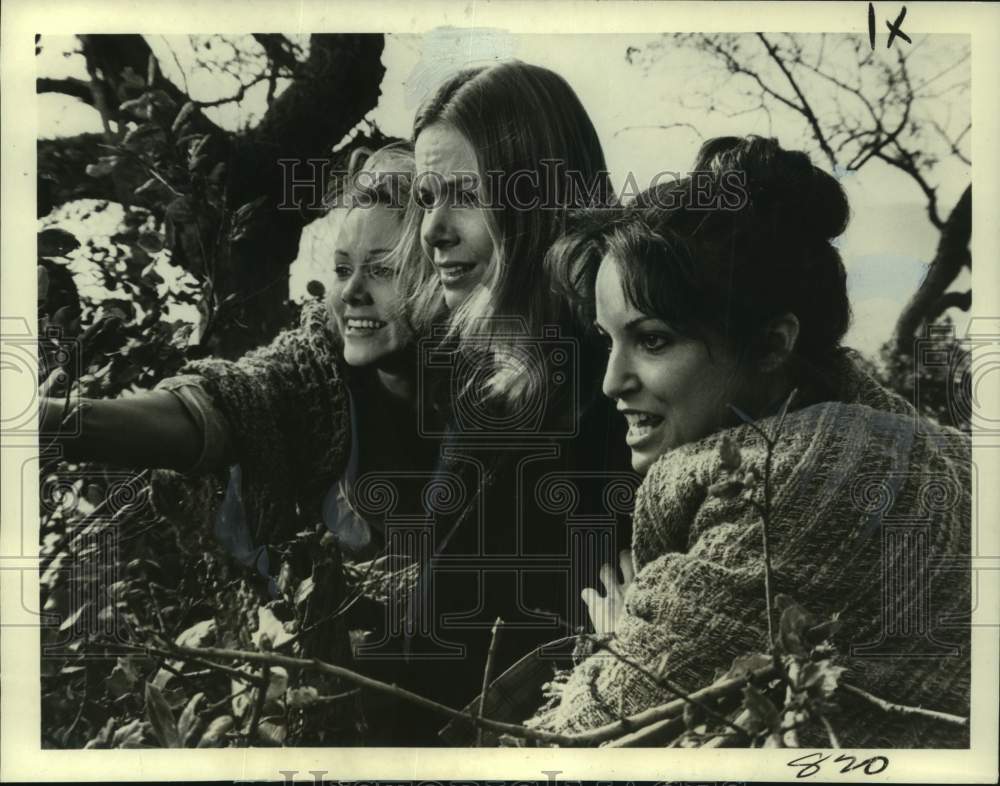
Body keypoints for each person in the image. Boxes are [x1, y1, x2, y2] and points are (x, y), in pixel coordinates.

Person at [522, 136, 970, 747]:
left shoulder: (797, 487)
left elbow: (573, 743)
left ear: (771, 344)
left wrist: (620, 646)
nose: (611, 382)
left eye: (652, 341)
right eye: (608, 340)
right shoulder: (883, 436)